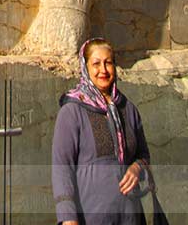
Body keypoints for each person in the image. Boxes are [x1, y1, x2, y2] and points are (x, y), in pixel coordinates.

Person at [52, 38, 150, 224]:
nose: (103, 70)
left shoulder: (127, 109)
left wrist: (137, 168)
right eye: (96, 64)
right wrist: (67, 218)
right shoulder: (72, 112)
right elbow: (62, 167)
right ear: (85, 68)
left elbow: (144, 154)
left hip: (130, 216)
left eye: (108, 63)